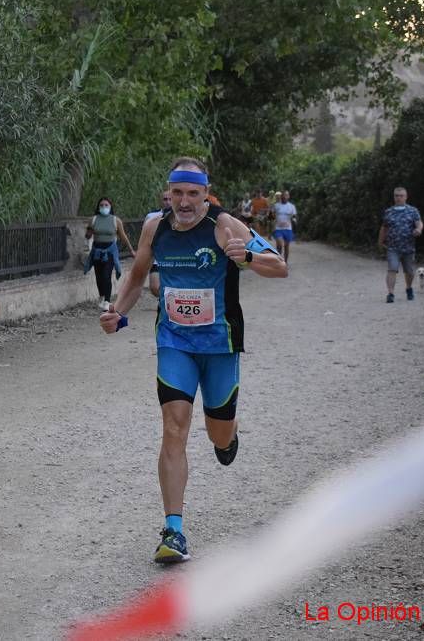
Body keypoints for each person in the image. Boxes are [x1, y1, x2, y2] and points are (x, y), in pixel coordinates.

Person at [99, 157, 288, 565]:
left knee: (217, 433)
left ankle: (227, 436)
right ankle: (174, 530)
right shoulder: (156, 227)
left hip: (220, 345)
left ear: (205, 194)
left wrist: (248, 257)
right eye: (177, 193)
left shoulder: (226, 226)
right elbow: (136, 276)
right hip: (175, 342)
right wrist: (118, 310)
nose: (184, 202)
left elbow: (280, 266)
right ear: (168, 193)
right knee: (174, 427)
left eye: (193, 194)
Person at [85, 197, 136, 311]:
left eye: (106, 205)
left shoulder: (115, 220)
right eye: (101, 205)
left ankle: (107, 301)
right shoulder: (93, 219)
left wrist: (131, 250)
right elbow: (88, 235)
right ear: (98, 207)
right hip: (97, 251)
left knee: (106, 276)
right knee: (99, 276)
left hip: (110, 251)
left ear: (110, 206)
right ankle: (102, 297)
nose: (104, 207)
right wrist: (88, 232)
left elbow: (123, 236)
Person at [377, 187, 423, 303]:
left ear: (406, 197)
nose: (398, 198)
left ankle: (409, 288)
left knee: (409, 271)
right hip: (393, 247)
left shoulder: (412, 211)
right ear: (394, 197)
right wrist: (380, 242)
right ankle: (391, 293)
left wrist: (418, 229)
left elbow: (419, 223)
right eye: (396, 196)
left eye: (401, 195)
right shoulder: (389, 212)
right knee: (392, 269)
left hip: (408, 247)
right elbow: (384, 228)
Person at [145, 190, 172, 297]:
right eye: (165, 199)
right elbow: (145, 238)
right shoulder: (151, 216)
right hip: (156, 258)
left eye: (170, 199)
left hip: (174, 259)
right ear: (160, 201)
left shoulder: (182, 217)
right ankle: (163, 301)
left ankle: (166, 306)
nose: (168, 202)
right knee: (155, 287)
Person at [272, 190, 298, 262]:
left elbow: (294, 217)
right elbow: (272, 216)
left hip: (288, 229)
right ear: (281, 196)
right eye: (283, 195)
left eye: (286, 195)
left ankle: (285, 262)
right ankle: (279, 260)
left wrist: (294, 221)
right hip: (278, 228)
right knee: (280, 245)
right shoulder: (276, 205)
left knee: (286, 246)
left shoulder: (292, 206)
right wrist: (272, 225)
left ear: (288, 197)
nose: (284, 197)